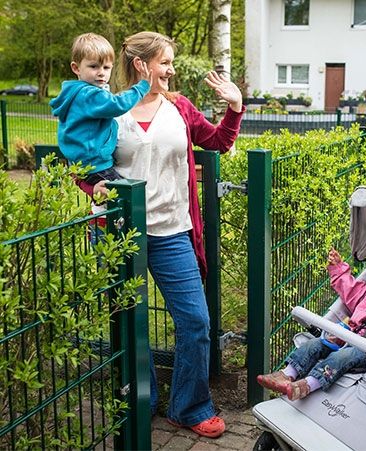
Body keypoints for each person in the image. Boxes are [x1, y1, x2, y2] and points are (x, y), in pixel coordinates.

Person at [81, 31, 244, 438]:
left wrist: (235, 106)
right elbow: (84, 164)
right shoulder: (107, 112)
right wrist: (92, 186)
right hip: (119, 233)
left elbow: (219, 141)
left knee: (195, 321)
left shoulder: (180, 108)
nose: (171, 70)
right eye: (166, 62)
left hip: (172, 231)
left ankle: (188, 407)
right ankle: (143, 398)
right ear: (141, 65)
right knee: (129, 322)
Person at [256, 247, 366, 401]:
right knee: (315, 344)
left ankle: (309, 384)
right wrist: (338, 267)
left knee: (340, 357)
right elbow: (349, 288)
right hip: (346, 335)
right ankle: (286, 375)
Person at [50, 33, 152, 187]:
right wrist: (141, 87)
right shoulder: (88, 94)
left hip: (84, 163)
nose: (101, 72)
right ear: (76, 68)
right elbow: (117, 104)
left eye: (106, 67)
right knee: (126, 196)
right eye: (93, 66)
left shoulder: (76, 92)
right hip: (95, 165)